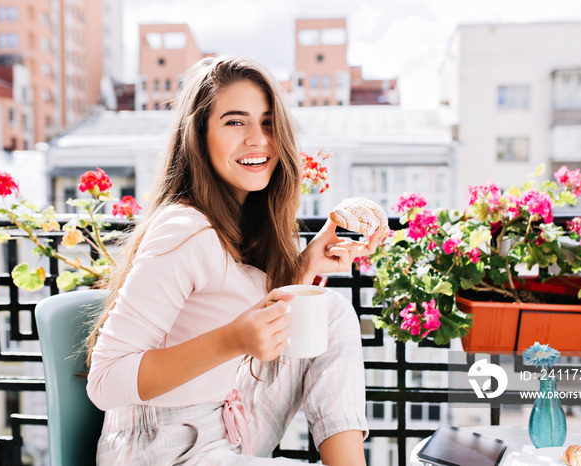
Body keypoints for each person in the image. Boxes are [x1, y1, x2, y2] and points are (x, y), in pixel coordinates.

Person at [85, 55, 383, 465]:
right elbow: (104, 382)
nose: (258, 139)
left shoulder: (243, 220)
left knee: (330, 310)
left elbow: (227, 302)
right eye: (234, 121)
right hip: (159, 446)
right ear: (199, 135)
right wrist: (232, 340)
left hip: (224, 419)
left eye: (267, 122)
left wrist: (306, 264)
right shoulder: (183, 229)